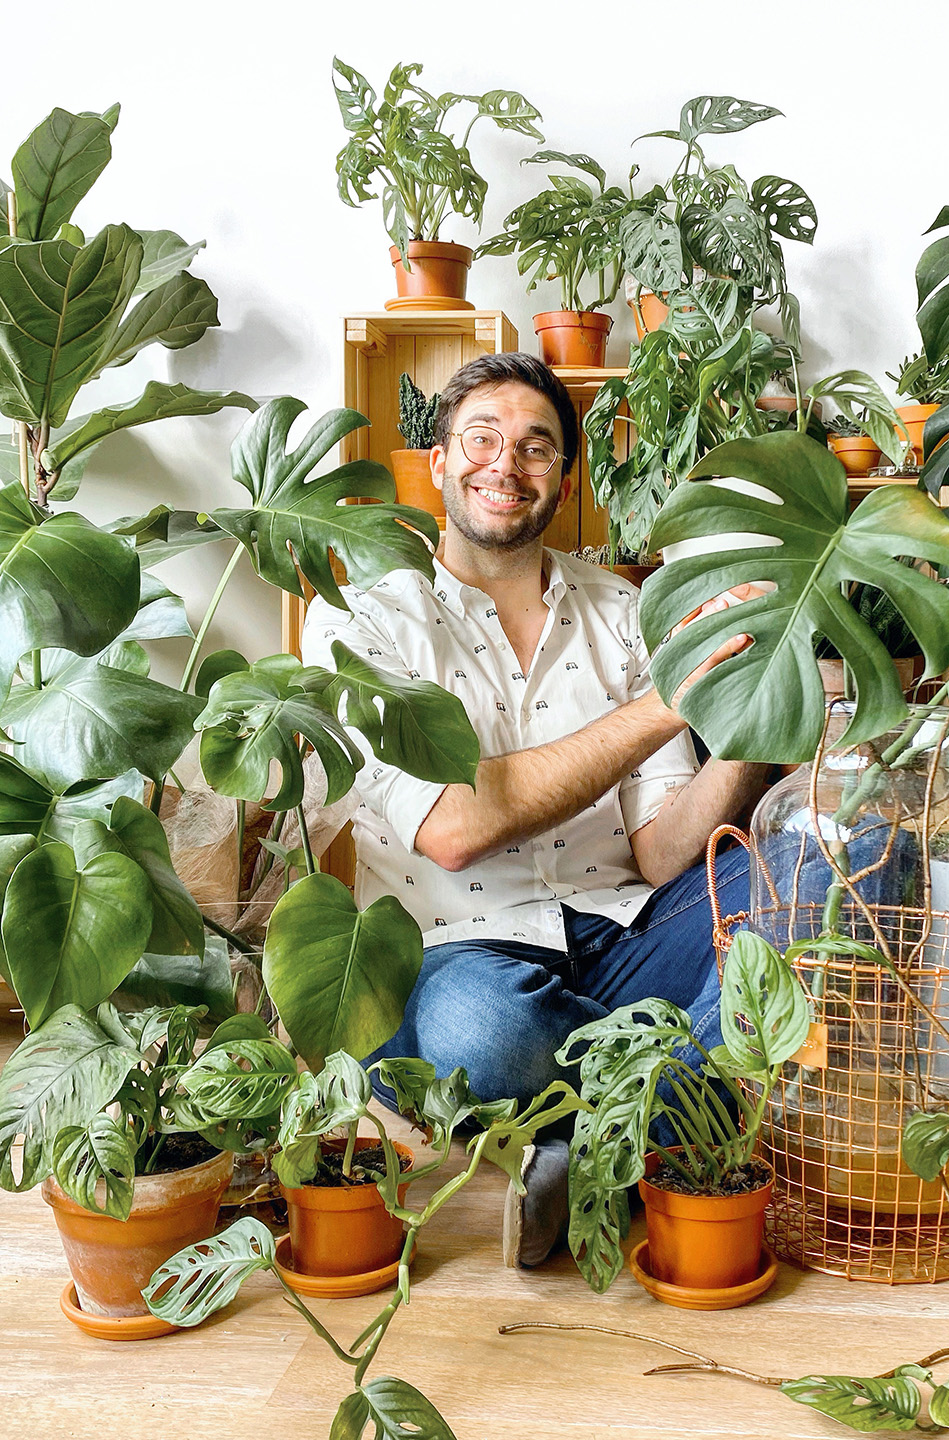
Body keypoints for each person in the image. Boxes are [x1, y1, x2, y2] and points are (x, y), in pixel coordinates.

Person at [302, 352, 769, 1266]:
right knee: (484, 1031)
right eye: (481, 439)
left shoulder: (624, 612)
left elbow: (668, 851)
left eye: (536, 447)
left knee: (819, 864)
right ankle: (679, 1128)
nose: (505, 465)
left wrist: (756, 709)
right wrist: (678, 693)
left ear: (566, 475)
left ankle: (593, 1142)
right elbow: (454, 830)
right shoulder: (361, 621)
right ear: (437, 460)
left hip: (626, 931)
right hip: (456, 954)